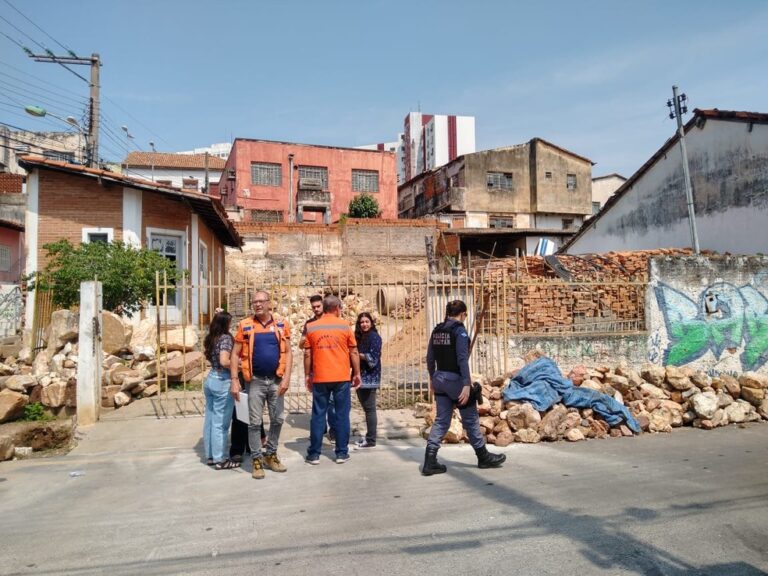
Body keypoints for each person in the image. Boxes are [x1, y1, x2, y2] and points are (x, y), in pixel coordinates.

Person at [422, 299, 506, 475]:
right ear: (462, 314)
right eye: (465, 315)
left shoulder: (437, 330)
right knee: (470, 418)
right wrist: (467, 385)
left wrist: (432, 378)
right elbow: (462, 360)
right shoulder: (459, 331)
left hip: (439, 379)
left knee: (441, 420)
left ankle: (429, 461)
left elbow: (430, 358)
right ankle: (483, 457)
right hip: (454, 381)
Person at [230, 291, 292, 480]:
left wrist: (287, 378)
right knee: (254, 423)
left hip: (276, 380)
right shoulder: (245, 325)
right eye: (254, 302)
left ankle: (270, 454)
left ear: (269, 303)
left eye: (261, 301)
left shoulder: (281, 324)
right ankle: (257, 459)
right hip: (254, 381)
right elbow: (234, 354)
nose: (257, 305)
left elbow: (289, 353)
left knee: (278, 419)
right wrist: (234, 380)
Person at [303, 295, 361, 464]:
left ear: (325, 307)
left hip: (320, 378)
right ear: (337, 308)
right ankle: (341, 453)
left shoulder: (311, 327)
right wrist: (356, 373)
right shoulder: (344, 326)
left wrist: (307, 375)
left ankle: (314, 454)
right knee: (342, 415)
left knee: (318, 415)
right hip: (341, 377)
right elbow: (354, 351)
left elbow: (307, 353)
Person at [299, 294, 337, 443]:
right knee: (319, 401)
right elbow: (302, 345)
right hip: (316, 366)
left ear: (323, 305)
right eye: (313, 307)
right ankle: (320, 430)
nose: (316, 309)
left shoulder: (332, 321)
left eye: (318, 306)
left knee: (332, 402)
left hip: (331, 365)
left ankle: (334, 430)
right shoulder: (309, 324)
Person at [202, 311, 237, 470]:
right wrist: (239, 365)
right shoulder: (226, 338)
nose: (231, 325)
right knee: (221, 424)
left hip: (210, 379)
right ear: (225, 324)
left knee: (210, 420)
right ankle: (221, 459)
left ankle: (210, 456)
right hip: (222, 380)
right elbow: (224, 361)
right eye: (230, 322)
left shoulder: (211, 338)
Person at [354, 312, 382, 449]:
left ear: (371, 323)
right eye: (362, 322)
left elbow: (373, 359)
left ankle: (371, 439)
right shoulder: (359, 338)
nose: (364, 324)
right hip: (359, 376)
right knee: (366, 409)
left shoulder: (375, 337)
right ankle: (369, 437)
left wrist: (357, 355)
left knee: (370, 409)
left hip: (370, 377)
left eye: (366, 321)